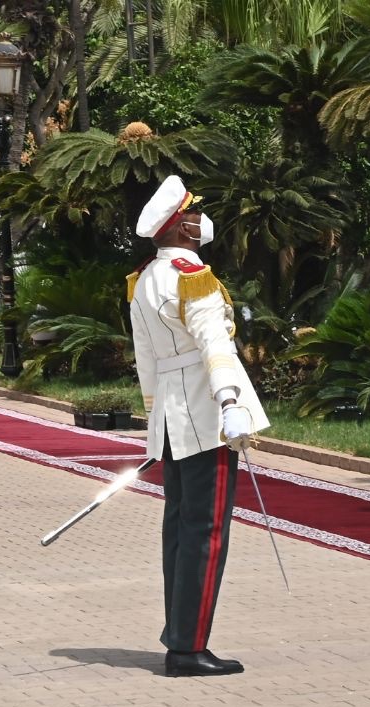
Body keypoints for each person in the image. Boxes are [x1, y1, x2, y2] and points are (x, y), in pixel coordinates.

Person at [129, 175, 269, 676]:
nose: (200, 218)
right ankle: (188, 648)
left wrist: (154, 419)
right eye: (194, 211)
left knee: (180, 531)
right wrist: (231, 402)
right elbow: (216, 344)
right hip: (207, 415)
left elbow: (147, 360)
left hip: (171, 418)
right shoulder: (193, 275)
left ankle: (180, 636)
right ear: (181, 226)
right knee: (206, 532)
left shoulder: (144, 279)